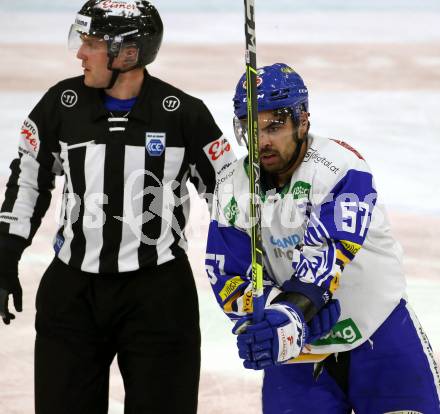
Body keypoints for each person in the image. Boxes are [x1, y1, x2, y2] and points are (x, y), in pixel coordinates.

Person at [0, 1, 235, 413]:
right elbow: (28, 182)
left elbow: (231, 198)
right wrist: (3, 256)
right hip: (73, 295)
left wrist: (258, 263)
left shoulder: (183, 115)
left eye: (90, 43)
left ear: (128, 53)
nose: (80, 54)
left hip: (158, 296)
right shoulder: (60, 105)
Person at [205, 62, 440, 413]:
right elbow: (228, 276)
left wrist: (295, 309)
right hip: (298, 351)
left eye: (275, 126)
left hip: (381, 333)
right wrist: (274, 317)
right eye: (250, 128)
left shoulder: (341, 168)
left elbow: (328, 250)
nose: (262, 140)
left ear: (303, 120)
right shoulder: (231, 188)